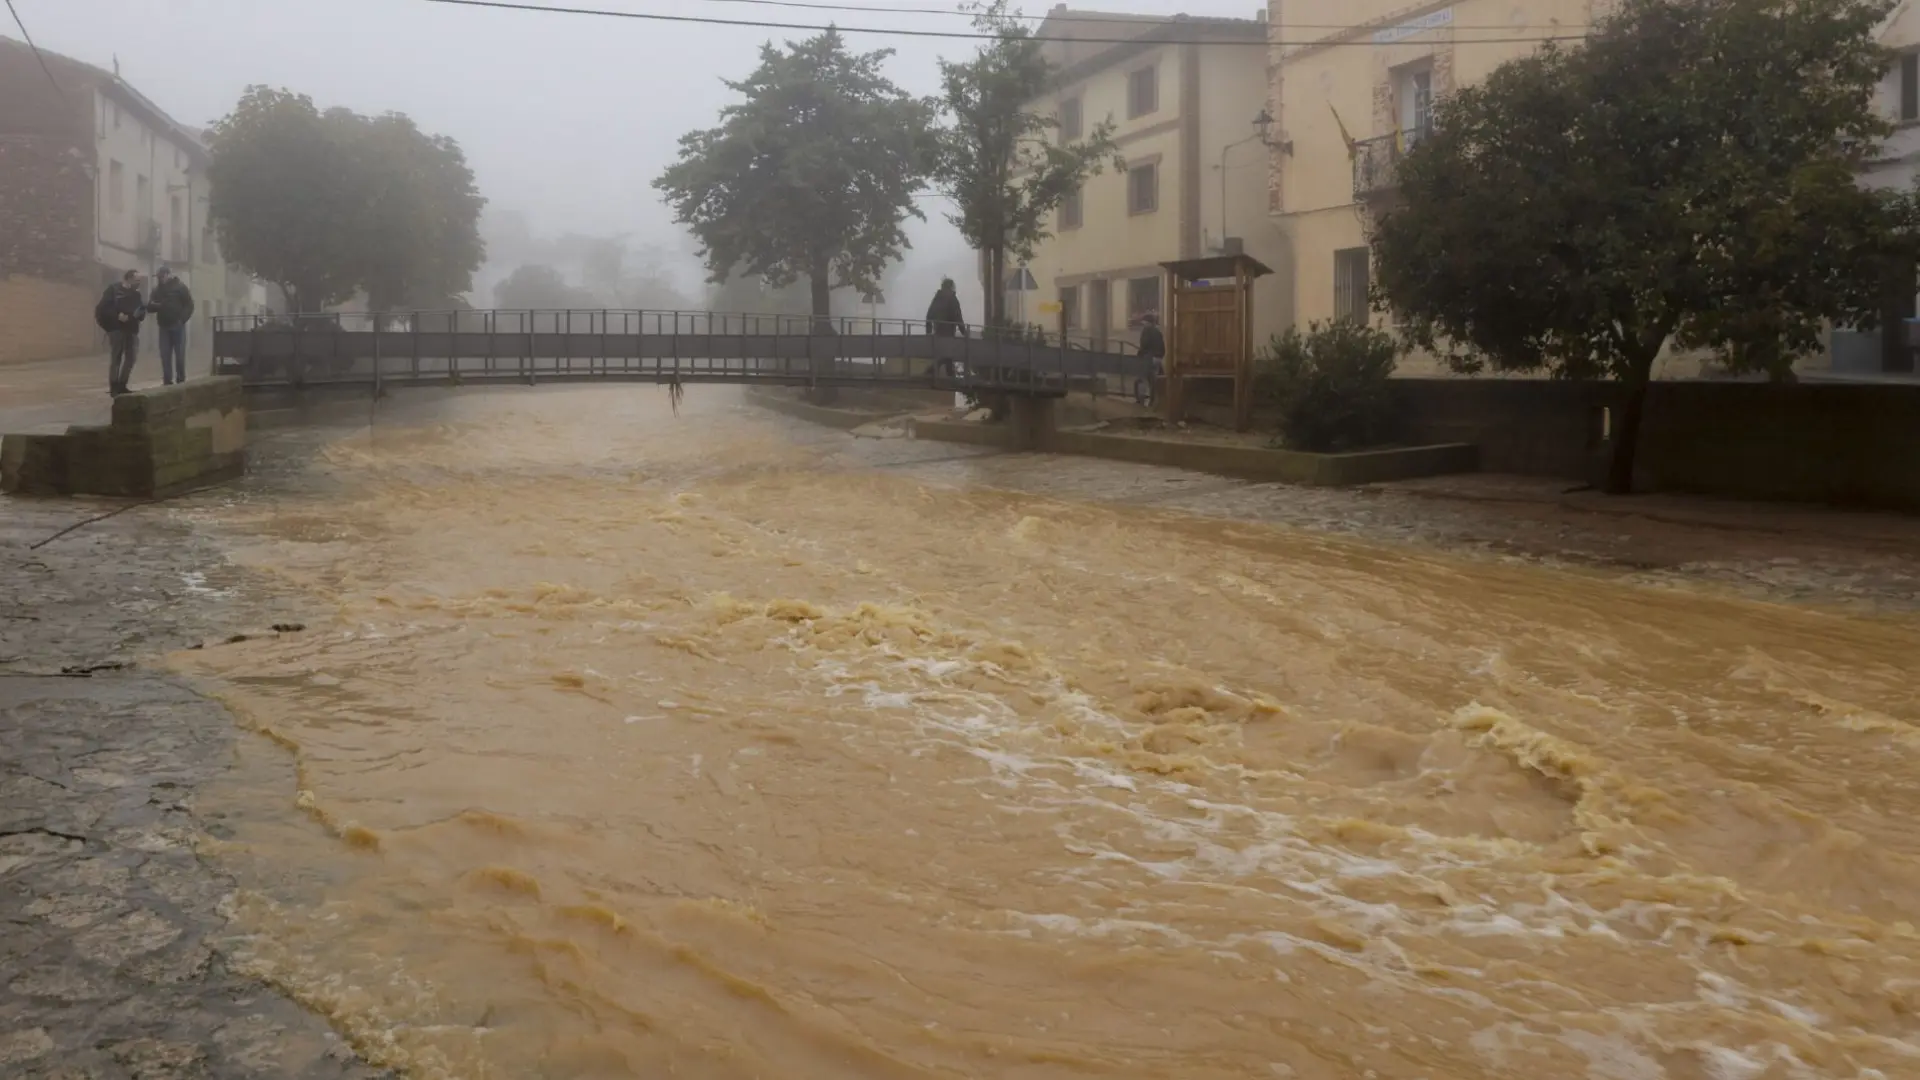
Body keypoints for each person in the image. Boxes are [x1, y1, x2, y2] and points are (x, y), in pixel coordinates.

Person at [94, 269, 147, 396]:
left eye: (140, 281)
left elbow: (141, 311)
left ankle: (123, 385)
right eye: (137, 280)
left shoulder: (137, 295)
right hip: (116, 329)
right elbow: (103, 308)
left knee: (131, 358)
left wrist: (139, 314)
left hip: (132, 330)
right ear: (129, 279)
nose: (138, 283)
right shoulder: (113, 290)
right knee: (116, 357)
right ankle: (114, 387)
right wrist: (117, 315)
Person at [148, 266, 195, 386]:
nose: (160, 279)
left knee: (179, 355)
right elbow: (150, 306)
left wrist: (182, 319)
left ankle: (180, 380)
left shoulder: (180, 287)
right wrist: (155, 306)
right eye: (159, 277)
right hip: (163, 327)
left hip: (177, 326)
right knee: (165, 355)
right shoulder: (157, 290)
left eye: (162, 276)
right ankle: (167, 381)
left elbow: (189, 305)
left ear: (168, 275)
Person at [1135, 311, 1165, 406]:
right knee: (1154, 381)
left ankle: (1141, 400)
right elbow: (1163, 347)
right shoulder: (1158, 332)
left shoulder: (1146, 330)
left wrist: (1140, 352)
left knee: (1142, 379)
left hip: (1149, 357)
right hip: (1158, 358)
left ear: (1146, 322)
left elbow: (1144, 344)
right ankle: (1153, 401)